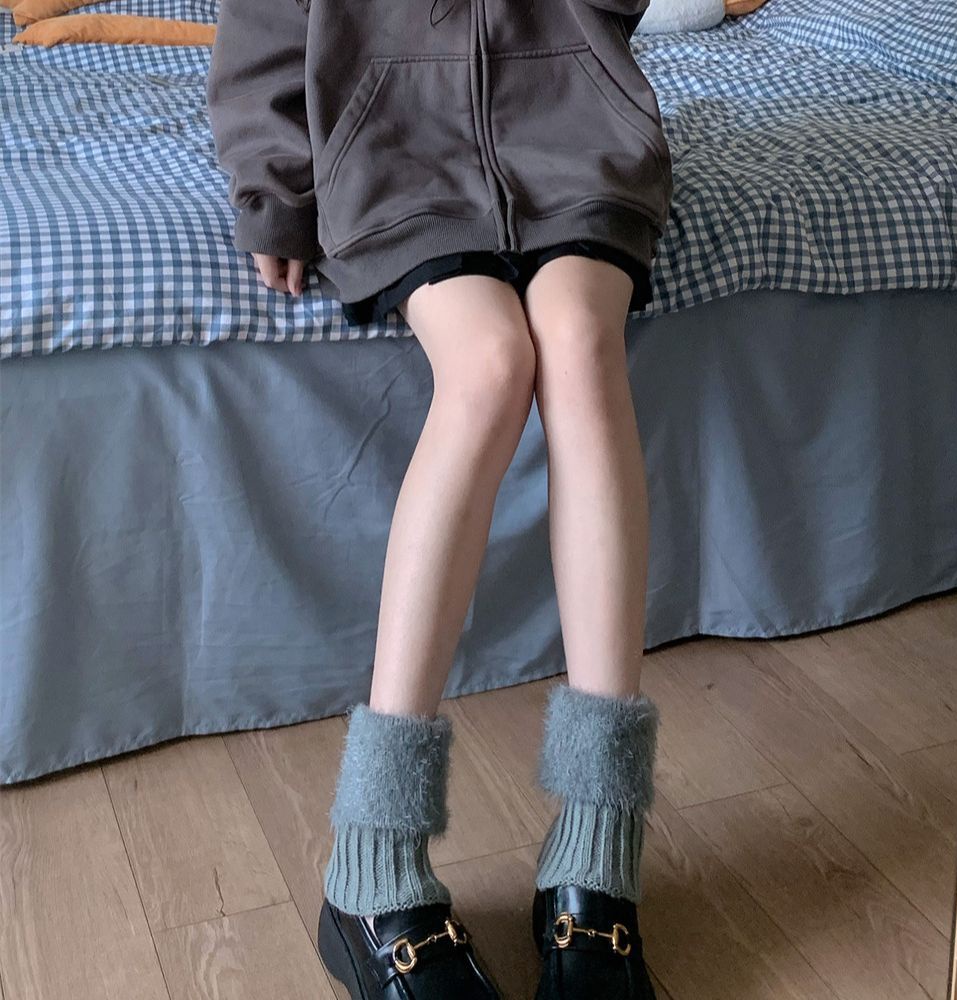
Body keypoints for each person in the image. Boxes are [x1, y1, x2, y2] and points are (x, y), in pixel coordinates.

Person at [206, 2, 672, 997]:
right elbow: (264, 26)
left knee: (580, 345)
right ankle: (373, 859)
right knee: (492, 364)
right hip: (395, 149)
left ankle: (600, 846)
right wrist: (274, 190)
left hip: (571, 130)